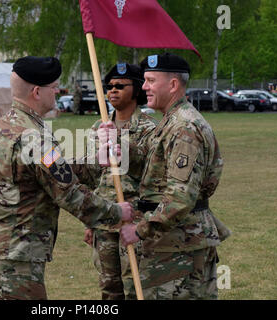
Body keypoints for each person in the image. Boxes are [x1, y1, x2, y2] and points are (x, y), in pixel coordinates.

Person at [0, 56, 134, 300]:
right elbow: (69, 194)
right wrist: (117, 213)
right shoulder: (33, 136)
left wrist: (95, 161)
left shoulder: (2, 127)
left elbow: (45, 174)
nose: (56, 92)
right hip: (15, 254)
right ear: (37, 92)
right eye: (54, 88)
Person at [116, 53, 231, 300]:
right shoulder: (170, 121)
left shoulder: (184, 128)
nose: (143, 86)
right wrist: (120, 151)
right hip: (172, 243)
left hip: (178, 249)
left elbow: (180, 198)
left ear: (173, 84)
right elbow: (151, 166)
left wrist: (141, 230)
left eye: (150, 80)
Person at [80, 63, 158, 300]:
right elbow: (94, 177)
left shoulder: (148, 129)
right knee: (109, 289)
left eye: (120, 86)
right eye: (109, 86)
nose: (112, 91)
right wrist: (90, 220)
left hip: (133, 221)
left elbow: (152, 174)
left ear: (136, 90)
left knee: (137, 286)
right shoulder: (99, 127)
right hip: (104, 220)